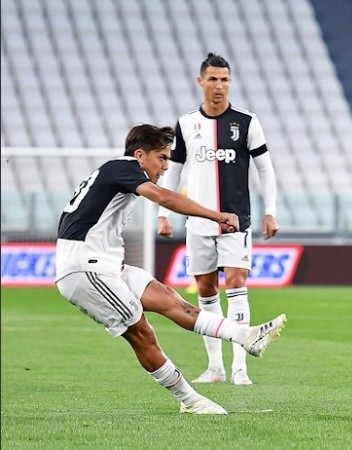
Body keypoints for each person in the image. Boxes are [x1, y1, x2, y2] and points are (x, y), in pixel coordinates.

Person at [55, 124, 287, 415]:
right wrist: (216, 215)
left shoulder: (115, 173)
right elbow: (163, 197)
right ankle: (190, 401)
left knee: (169, 299)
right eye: (161, 158)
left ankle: (247, 337)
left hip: (106, 265)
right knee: (142, 333)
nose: (165, 166)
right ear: (140, 155)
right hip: (85, 269)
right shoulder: (122, 168)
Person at [157, 53, 279, 386]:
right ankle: (215, 367)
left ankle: (240, 366)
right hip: (197, 223)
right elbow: (174, 171)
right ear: (201, 82)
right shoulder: (185, 124)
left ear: (230, 82)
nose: (219, 86)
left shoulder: (247, 121)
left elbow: (265, 169)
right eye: (213, 79)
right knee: (206, 291)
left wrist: (271, 210)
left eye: (224, 79)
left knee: (237, 283)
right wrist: (163, 213)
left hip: (236, 220)